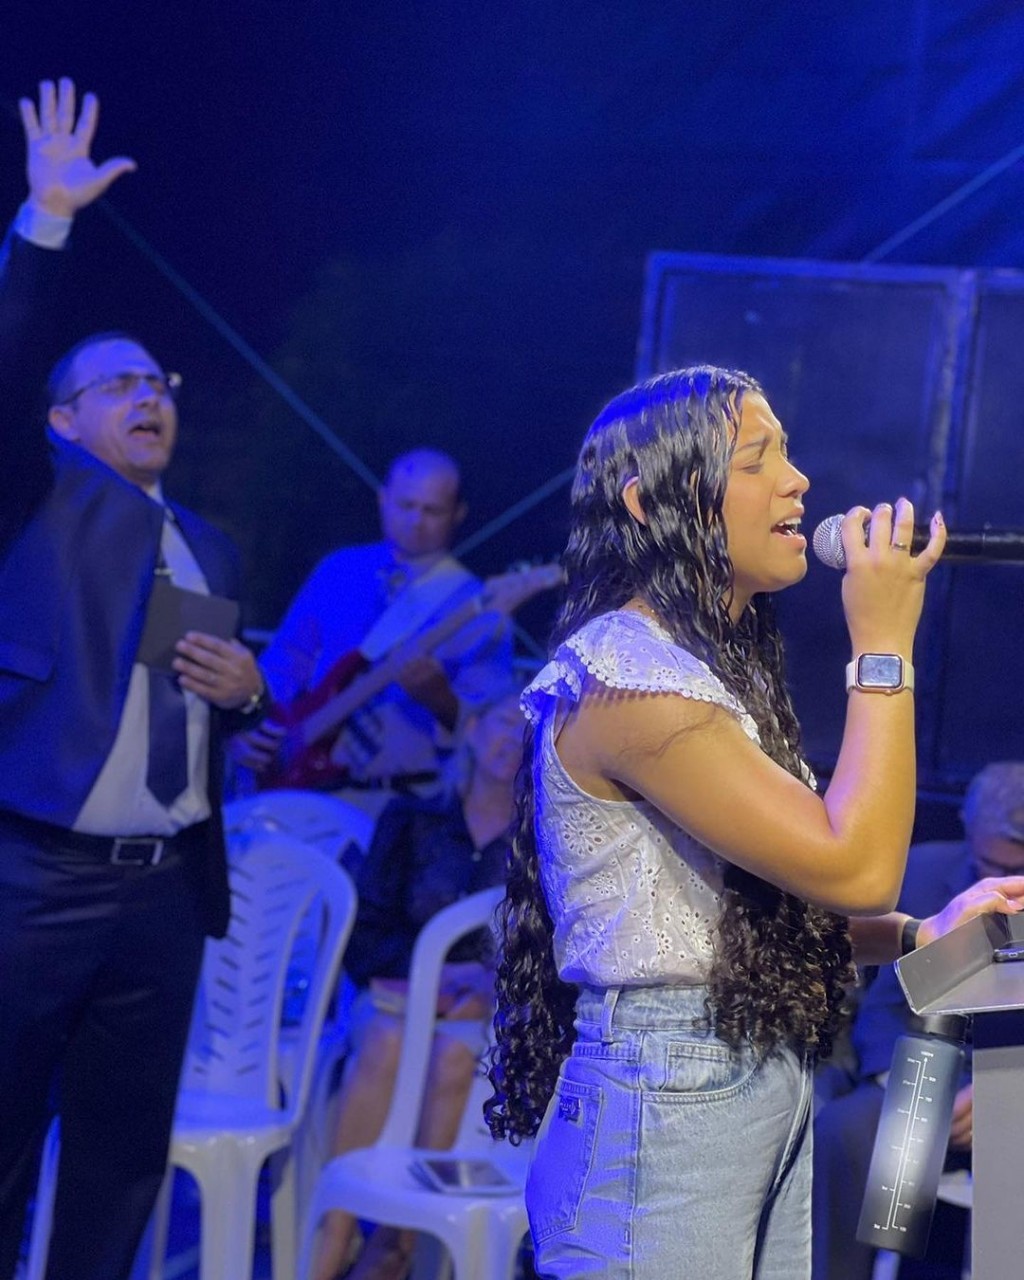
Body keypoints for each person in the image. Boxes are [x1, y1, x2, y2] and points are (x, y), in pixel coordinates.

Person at [483, 366, 1024, 1280]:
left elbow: (732, 923)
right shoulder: (627, 682)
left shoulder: (702, 675)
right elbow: (857, 870)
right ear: (651, 502)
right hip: (669, 1101)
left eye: (788, 454)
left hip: (740, 1085)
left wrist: (918, 935)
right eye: (755, 460)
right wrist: (883, 646)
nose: (798, 481)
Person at [0, 80, 267, 1280]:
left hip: (162, 889)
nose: (149, 393)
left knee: (119, 1163)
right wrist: (46, 222)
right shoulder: (36, 497)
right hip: (34, 875)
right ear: (60, 420)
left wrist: (246, 691)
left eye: (158, 382)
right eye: (118, 383)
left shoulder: (210, 544)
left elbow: (187, 702)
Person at [313, 689, 523, 1280]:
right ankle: (335, 1239)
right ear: (473, 729)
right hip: (397, 992)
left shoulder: (538, 844)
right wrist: (428, 975)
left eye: (529, 730)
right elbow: (364, 934)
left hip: (482, 1010)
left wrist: (482, 981)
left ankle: (395, 1246)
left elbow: (542, 949)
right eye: (504, 721)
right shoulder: (410, 819)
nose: (513, 739)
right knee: (386, 1040)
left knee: (453, 1055)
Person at [812, 760, 1024, 1280]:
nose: (1001, 885)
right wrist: (925, 1093)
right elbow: (887, 1007)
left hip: (1013, 1082)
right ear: (968, 829)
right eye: (989, 864)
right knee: (843, 1132)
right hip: (927, 1073)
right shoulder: (926, 873)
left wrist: (1000, 1095)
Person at [233, 448, 515, 817]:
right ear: (383, 499)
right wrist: (251, 722)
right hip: (305, 786)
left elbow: (489, 725)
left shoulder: (480, 608)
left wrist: (440, 698)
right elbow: (285, 662)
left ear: (458, 513)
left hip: (406, 801)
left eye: (432, 511)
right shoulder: (339, 571)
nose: (416, 520)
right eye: (406, 505)